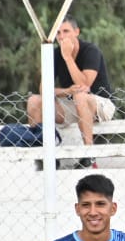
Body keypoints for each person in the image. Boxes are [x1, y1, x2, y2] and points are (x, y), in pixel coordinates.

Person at [26, 16, 115, 153]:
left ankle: (88, 154)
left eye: (66, 31)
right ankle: (41, 155)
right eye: (58, 33)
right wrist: (67, 91)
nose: (62, 37)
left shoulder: (91, 51)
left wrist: (68, 57)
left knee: (80, 96)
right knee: (34, 101)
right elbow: (44, 89)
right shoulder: (55, 54)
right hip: (71, 104)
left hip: (100, 104)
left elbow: (84, 85)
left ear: (76, 32)